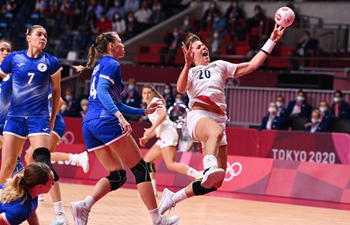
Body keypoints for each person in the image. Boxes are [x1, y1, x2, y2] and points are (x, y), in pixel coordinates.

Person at [157, 23, 285, 215]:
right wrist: (185, 64)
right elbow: (181, 89)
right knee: (214, 136)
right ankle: (208, 167)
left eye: (203, 45)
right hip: (198, 116)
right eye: (198, 47)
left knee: (215, 183)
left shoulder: (220, 66)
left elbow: (250, 65)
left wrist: (272, 40)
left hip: (218, 120)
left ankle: (172, 198)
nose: (203, 47)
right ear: (191, 54)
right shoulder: (191, 72)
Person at [70, 31, 180, 225]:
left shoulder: (99, 66)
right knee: (140, 169)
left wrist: (143, 112)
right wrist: (119, 117)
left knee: (118, 175)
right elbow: (104, 93)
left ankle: (84, 205)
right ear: (111, 46)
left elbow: (115, 101)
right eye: (120, 42)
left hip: (89, 124)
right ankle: (157, 219)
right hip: (106, 121)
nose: (123, 45)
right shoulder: (111, 63)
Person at [0, 25, 69, 224]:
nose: (43, 38)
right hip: (15, 117)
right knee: (7, 167)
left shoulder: (51, 62)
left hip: (39, 118)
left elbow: (57, 91)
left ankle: (58, 212)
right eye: (39, 34)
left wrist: (53, 116)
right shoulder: (14, 59)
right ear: (28, 38)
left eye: (46, 35)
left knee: (42, 163)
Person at [139, 84, 202, 196]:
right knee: (147, 161)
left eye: (149, 92)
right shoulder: (148, 106)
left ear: (153, 92)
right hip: (162, 136)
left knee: (171, 164)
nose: (146, 95)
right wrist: (147, 137)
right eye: (144, 93)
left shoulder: (156, 101)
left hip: (168, 135)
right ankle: (153, 191)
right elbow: (158, 126)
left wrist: (150, 129)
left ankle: (198, 175)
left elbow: (162, 116)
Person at [0, 39, 24, 176]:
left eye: (8, 51)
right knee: (14, 166)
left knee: (13, 165)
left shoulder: (16, 74)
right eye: (2, 50)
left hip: (10, 125)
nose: (5, 53)